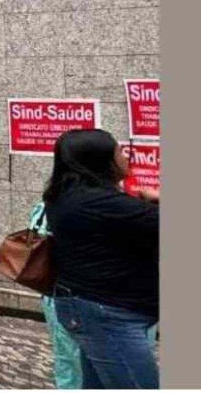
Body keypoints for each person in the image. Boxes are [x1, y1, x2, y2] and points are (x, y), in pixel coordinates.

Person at [44, 129, 159, 389]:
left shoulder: (69, 197)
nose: (125, 156)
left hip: (95, 310)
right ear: (100, 159)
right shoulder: (100, 203)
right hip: (108, 316)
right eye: (118, 151)